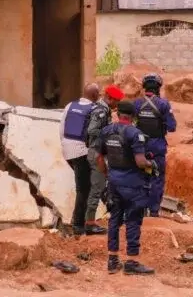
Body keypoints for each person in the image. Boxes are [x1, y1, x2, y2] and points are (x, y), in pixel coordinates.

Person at [96, 99, 156, 275]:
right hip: (133, 186)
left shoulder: (106, 131)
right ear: (133, 117)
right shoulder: (135, 134)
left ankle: (113, 261)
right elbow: (140, 161)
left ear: (118, 114)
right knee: (133, 221)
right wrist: (151, 165)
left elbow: (98, 158)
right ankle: (132, 262)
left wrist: (107, 175)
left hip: (114, 183)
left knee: (114, 220)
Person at [59, 83, 101, 235]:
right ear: (95, 95)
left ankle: (81, 221)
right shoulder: (95, 109)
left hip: (68, 151)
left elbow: (61, 129)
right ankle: (78, 225)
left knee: (85, 186)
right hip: (82, 152)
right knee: (84, 189)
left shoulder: (70, 105)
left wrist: (65, 147)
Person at [133, 73, 177, 217]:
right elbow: (172, 127)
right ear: (158, 87)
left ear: (144, 87)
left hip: (140, 147)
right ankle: (153, 212)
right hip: (157, 147)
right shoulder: (163, 104)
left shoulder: (137, 104)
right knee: (156, 179)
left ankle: (141, 210)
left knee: (141, 177)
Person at [85, 84, 124, 234]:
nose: (117, 105)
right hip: (96, 153)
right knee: (97, 189)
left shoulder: (104, 109)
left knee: (101, 187)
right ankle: (89, 224)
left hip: (98, 152)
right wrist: (109, 131)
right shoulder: (101, 111)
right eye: (116, 101)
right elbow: (92, 130)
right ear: (110, 98)